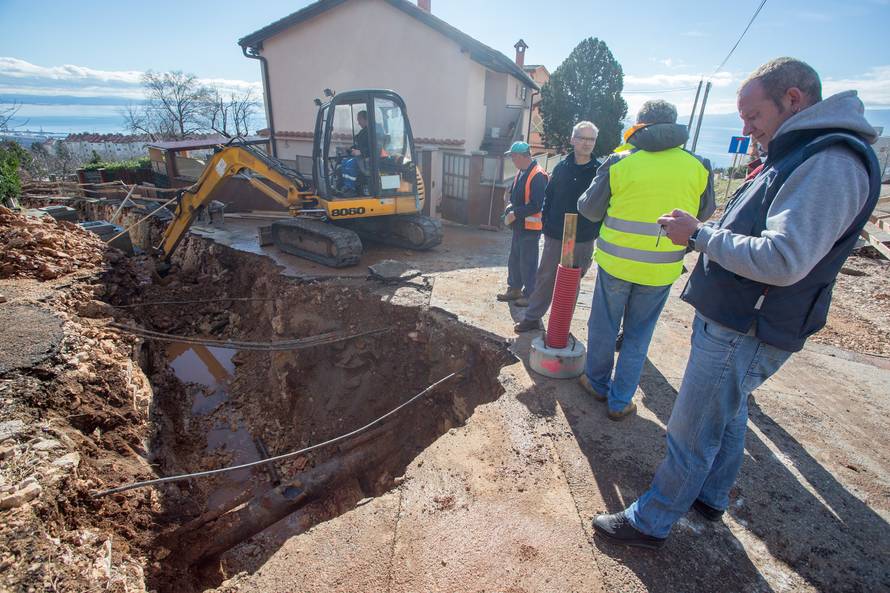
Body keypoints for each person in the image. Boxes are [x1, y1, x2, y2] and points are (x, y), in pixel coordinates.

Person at [592, 57, 881, 549]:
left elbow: (784, 258)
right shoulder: (802, 151)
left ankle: (651, 520)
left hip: (745, 328)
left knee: (690, 430)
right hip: (737, 320)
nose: (746, 128)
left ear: (793, 99)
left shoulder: (829, 161)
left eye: (752, 116)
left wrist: (701, 235)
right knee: (726, 413)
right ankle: (712, 494)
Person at [577, 100, 715, 420]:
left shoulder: (620, 161)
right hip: (661, 268)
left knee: (604, 326)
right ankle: (620, 400)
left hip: (615, 264)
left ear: (639, 125)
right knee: (639, 334)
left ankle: (597, 383)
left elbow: (589, 209)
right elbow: (704, 214)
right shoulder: (699, 165)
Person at [514, 122, 601, 332]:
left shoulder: (599, 172)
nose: (586, 143)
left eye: (591, 139)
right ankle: (533, 317)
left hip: (582, 238)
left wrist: (592, 230)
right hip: (556, 234)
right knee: (545, 277)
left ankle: (561, 325)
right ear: (573, 139)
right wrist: (546, 222)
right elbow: (549, 197)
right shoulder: (561, 167)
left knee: (571, 283)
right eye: (581, 137)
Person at [496, 141, 548, 307]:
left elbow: (536, 205)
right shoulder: (522, 172)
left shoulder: (538, 175)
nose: (511, 160)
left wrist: (514, 213)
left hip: (530, 228)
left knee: (528, 263)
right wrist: (510, 208)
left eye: (512, 156)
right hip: (519, 226)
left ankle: (530, 294)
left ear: (519, 156)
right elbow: (516, 197)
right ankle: (515, 289)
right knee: (515, 259)